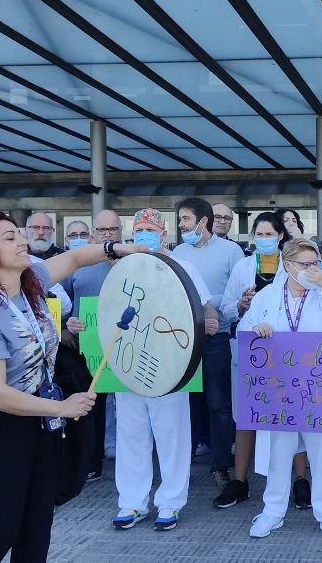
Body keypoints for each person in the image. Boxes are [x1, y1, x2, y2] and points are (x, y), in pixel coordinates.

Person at [0, 211, 144, 562]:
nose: (22, 241)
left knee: (37, 526)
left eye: (20, 234)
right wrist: (62, 407)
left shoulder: (30, 280)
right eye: (10, 238)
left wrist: (119, 248)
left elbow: (73, 257)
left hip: (36, 419)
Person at [95, 210, 212, 533]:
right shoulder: (123, 265)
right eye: (140, 229)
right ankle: (131, 501)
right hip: (128, 361)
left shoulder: (182, 266)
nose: (145, 234)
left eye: (151, 229)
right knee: (131, 435)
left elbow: (203, 309)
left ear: (163, 233)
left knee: (171, 435)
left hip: (169, 364)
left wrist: (208, 323)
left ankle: (170, 502)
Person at [240, 238, 322, 541]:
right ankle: (272, 512)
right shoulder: (268, 296)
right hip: (280, 391)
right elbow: (244, 329)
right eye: (304, 265)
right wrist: (257, 329)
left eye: (315, 264)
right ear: (287, 266)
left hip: (318, 390)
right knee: (279, 454)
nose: (311, 269)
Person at [213, 211, 303, 509]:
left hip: (287, 351)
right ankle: (240, 481)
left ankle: (301, 480)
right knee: (246, 413)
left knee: (295, 411)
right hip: (251, 350)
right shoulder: (243, 267)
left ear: (280, 236)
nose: (263, 240)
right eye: (259, 235)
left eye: (269, 234)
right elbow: (226, 309)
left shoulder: (293, 265)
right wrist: (241, 304)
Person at [173, 197, 244, 490]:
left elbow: (238, 296)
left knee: (219, 405)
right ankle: (182, 460)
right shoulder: (178, 252)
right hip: (183, 339)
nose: (181, 226)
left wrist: (215, 313)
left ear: (203, 221)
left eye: (185, 219)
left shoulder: (232, 251)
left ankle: (221, 464)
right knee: (186, 403)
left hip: (219, 336)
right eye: (180, 220)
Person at [66, 209, 123, 476]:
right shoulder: (78, 263)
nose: (107, 235)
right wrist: (68, 322)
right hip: (87, 347)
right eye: (102, 230)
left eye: (113, 230)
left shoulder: (131, 261)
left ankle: (129, 459)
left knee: (125, 404)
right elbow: (59, 303)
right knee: (92, 405)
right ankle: (92, 462)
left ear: (122, 232)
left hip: (126, 346)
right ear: (93, 232)